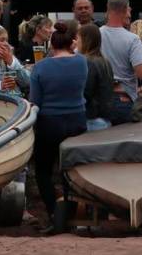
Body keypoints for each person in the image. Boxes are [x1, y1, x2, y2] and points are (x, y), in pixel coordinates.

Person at [29, 23, 88, 230]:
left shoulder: (41, 67)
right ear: (71, 42)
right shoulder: (81, 62)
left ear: (51, 44)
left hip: (49, 122)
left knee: (43, 171)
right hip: (77, 120)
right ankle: (69, 214)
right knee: (70, 170)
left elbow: (35, 100)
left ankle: (55, 213)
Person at [100, 0, 142, 125]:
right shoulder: (132, 39)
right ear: (125, 9)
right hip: (123, 100)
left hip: (99, 100)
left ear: (108, 8)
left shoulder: (95, 35)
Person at [76, 23, 114, 131]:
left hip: (92, 119)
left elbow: (86, 92)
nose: (76, 42)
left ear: (85, 40)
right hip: (104, 118)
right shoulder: (104, 61)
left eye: (78, 38)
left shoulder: (88, 62)